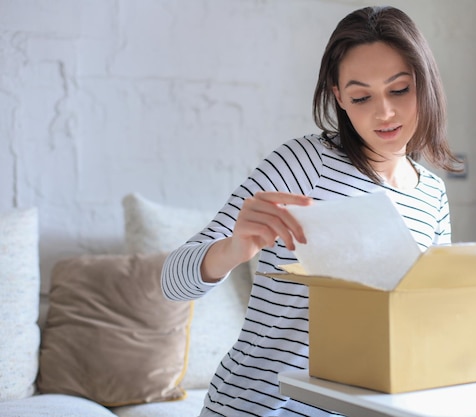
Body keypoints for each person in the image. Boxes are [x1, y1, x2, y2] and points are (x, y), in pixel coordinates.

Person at [162, 5, 460, 417]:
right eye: (361, 97)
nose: (384, 112)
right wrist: (233, 248)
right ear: (339, 97)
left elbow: (430, 321)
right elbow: (171, 283)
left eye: (399, 90)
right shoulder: (304, 164)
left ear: (425, 85)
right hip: (258, 408)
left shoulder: (432, 195)